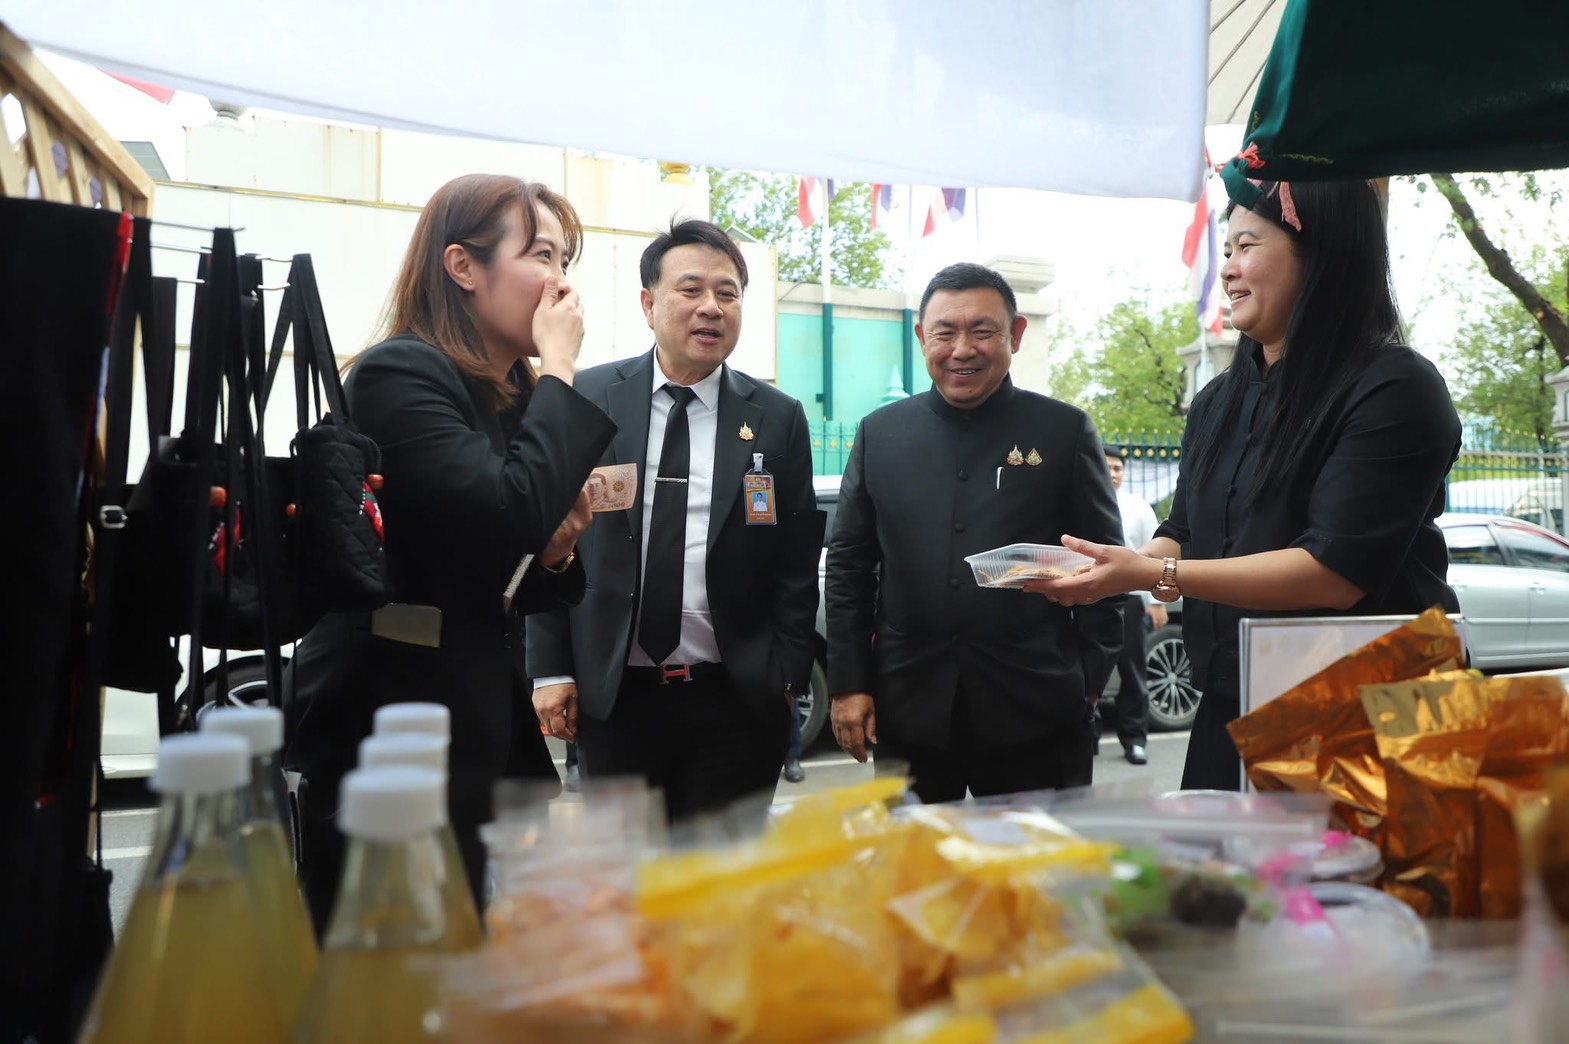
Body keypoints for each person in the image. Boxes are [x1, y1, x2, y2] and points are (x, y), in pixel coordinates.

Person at [1033, 178, 1461, 791]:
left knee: (1354, 886)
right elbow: (1184, 533)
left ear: (1320, 256)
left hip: (1367, 706)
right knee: (1227, 883)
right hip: (1235, 694)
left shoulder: (1394, 387)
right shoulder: (1217, 401)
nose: (1228, 270)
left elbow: (1333, 572)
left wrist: (1153, 576)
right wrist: (1110, 568)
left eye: (1246, 246)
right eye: (1225, 249)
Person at [284, 174, 616, 934]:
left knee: (461, 944)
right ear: (463, 267)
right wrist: (560, 367)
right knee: (385, 956)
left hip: (470, 709)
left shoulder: (503, 394)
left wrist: (556, 556)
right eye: (541, 256)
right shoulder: (402, 371)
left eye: (565, 261)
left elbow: (493, 564)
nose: (561, 285)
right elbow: (503, 514)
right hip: (390, 712)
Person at [527, 219, 824, 828]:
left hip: (735, 701)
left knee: (722, 893)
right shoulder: (587, 395)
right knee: (632, 891)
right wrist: (551, 670)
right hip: (616, 700)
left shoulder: (777, 417)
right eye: (690, 290)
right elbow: (547, 538)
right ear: (649, 303)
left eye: (728, 292)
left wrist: (786, 674)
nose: (711, 308)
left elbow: (796, 561)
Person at [825, 262, 1124, 803]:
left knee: (1035, 880)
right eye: (945, 332)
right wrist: (848, 683)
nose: (962, 348)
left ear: (1015, 335)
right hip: (909, 709)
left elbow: (1106, 565)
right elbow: (849, 564)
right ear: (922, 337)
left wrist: (1089, 679)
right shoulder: (881, 434)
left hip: (1037, 711)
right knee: (917, 881)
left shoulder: (1063, 431)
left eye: (982, 331)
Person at [1104, 448, 1162, 765]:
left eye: (1118, 468)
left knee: (1132, 669)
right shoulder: (1076, 499)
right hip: (1085, 596)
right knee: (1086, 670)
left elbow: (1153, 553)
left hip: (1128, 598)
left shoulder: (1138, 507)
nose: (1113, 473)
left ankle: (1135, 739)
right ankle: (1087, 737)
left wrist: (1155, 601)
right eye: (1107, 466)